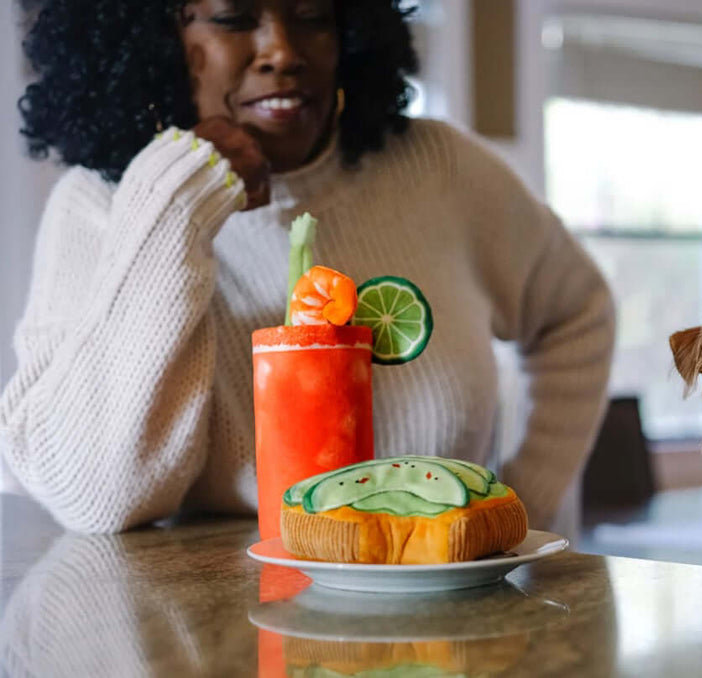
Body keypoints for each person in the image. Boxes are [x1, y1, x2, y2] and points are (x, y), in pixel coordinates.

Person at [0, 0, 615, 533]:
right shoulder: (99, 205)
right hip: (211, 649)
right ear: (159, 39)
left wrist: (524, 509)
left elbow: (577, 313)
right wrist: (175, 200)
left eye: (313, 17)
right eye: (236, 18)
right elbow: (95, 495)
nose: (282, 51)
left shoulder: (441, 170)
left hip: (443, 630)